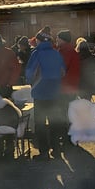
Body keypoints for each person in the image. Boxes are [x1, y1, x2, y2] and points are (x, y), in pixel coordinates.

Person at [25, 26, 66, 161]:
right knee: (54, 122)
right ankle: (56, 150)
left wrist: (31, 82)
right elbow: (63, 72)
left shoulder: (36, 54)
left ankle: (44, 153)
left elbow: (30, 73)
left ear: (40, 40)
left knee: (40, 124)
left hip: (40, 92)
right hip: (55, 93)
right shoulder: (56, 53)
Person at [55, 29, 80, 154]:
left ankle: (67, 139)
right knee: (69, 114)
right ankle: (71, 138)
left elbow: (60, 70)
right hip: (71, 87)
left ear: (63, 39)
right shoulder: (72, 51)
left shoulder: (65, 52)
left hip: (64, 88)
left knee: (64, 114)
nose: (56, 40)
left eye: (58, 38)